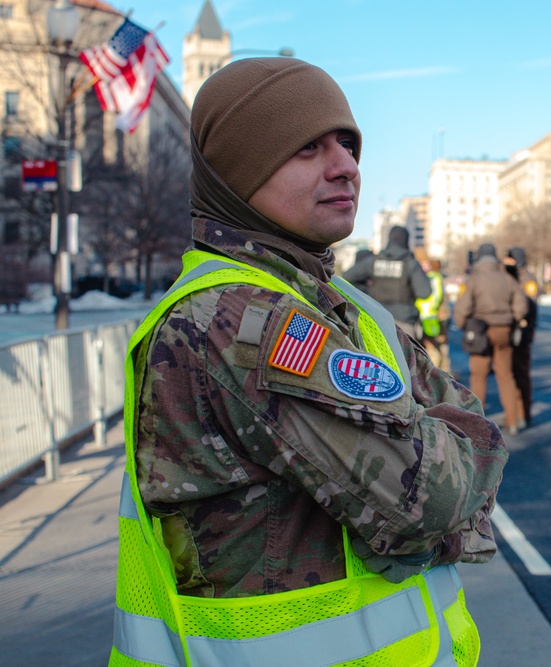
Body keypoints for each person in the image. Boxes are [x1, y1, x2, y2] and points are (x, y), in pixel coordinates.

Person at [109, 58, 507, 667]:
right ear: (238, 173)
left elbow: (461, 415)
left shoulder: (334, 300)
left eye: (348, 143)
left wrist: (439, 442)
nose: (346, 165)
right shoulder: (241, 322)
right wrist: (443, 448)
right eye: (307, 148)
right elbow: (433, 496)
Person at [454, 243, 528, 436]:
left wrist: (464, 326)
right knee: (506, 376)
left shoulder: (474, 279)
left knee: (478, 376)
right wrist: (514, 320)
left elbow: (461, 309)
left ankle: (478, 426)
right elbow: (522, 305)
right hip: (503, 331)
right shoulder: (506, 278)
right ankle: (512, 422)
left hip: (480, 331)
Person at [342, 224, 431, 340]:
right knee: (403, 358)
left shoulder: (375, 261)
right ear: (406, 241)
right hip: (404, 323)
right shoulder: (410, 263)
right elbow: (425, 292)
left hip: (376, 320)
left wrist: (369, 291)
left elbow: (347, 277)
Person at [504, 247, 539, 429]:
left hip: (523, 332)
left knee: (521, 374)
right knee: (509, 374)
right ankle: (515, 413)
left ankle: (524, 412)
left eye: (508, 259)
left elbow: (529, 307)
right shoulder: (510, 277)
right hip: (510, 331)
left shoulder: (528, 280)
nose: (505, 262)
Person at [415, 251, 452, 373]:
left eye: (426, 263)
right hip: (431, 318)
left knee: (436, 349)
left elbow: (436, 300)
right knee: (435, 349)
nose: (425, 266)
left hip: (434, 318)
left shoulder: (432, 278)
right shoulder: (429, 277)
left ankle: (440, 375)